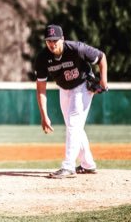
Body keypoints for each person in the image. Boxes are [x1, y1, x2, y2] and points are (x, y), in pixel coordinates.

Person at [34, 24, 108, 178]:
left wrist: (103, 82)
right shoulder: (42, 58)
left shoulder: (77, 49)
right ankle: (88, 165)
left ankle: (68, 166)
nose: (52, 44)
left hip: (83, 86)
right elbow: (41, 88)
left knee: (73, 124)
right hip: (64, 89)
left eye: (55, 40)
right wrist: (44, 115)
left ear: (62, 39)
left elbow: (101, 57)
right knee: (73, 126)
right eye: (49, 41)